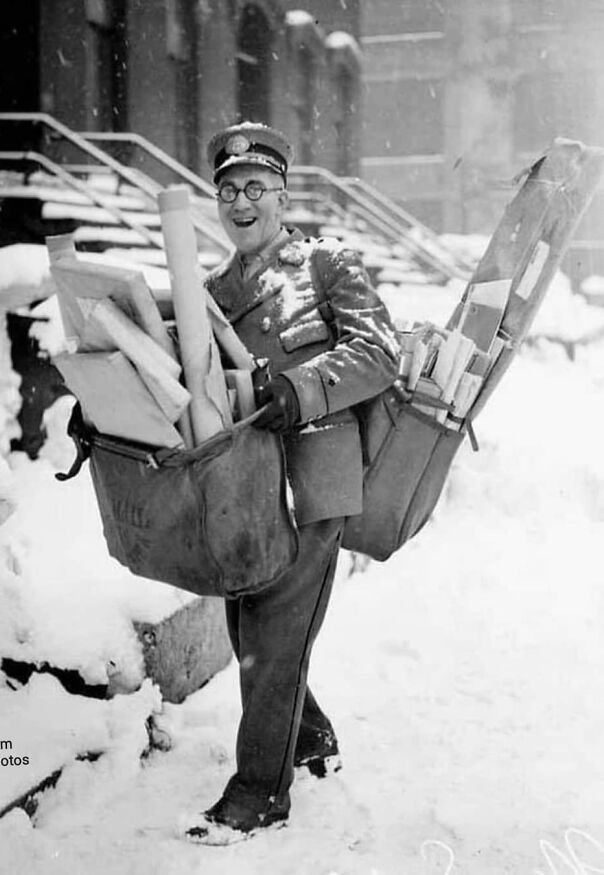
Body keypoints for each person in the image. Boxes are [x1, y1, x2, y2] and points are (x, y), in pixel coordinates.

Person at [184, 122, 401, 844]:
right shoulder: (209, 293)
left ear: (281, 194)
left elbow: (379, 351)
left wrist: (302, 389)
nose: (241, 203)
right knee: (247, 626)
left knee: (275, 635)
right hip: (243, 492)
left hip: (314, 480)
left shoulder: (326, 264)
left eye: (254, 188)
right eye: (227, 190)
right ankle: (309, 738)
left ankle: (258, 793)